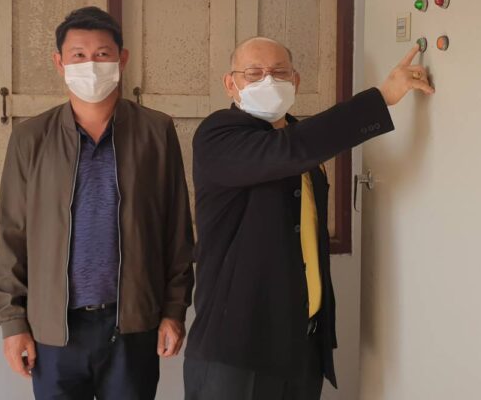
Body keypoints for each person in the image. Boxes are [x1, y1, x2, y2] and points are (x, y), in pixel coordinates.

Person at [184, 37, 434, 400]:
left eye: (279, 72)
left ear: (296, 81)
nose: (268, 81)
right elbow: (288, 151)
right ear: (230, 83)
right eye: (254, 73)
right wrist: (381, 98)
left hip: (302, 345)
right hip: (237, 350)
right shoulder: (218, 136)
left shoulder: (303, 144)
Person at [0, 6, 195, 400]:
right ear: (59, 62)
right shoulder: (31, 137)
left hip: (132, 324)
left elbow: (176, 230)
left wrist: (174, 311)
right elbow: (12, 234)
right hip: (55, 330)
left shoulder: (155, 131)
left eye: (102, 54)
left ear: (122, 59)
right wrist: (13, 322)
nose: (91, 64)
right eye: (79, 55)